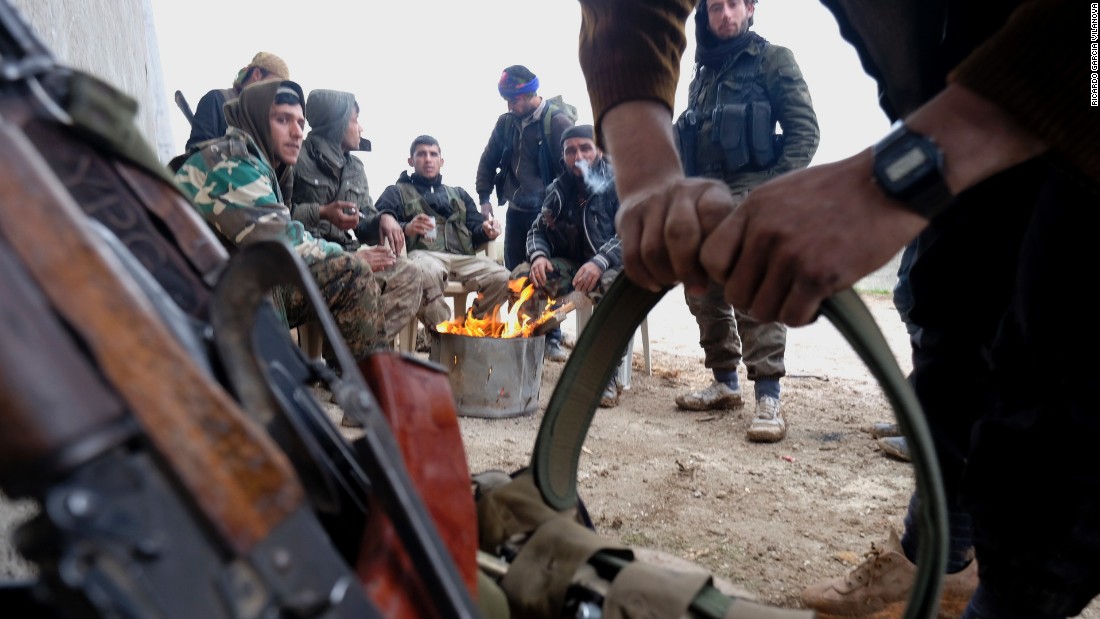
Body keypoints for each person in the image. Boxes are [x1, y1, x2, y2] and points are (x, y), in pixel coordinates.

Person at [577, 1, 1097, 618]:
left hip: (1077, 112)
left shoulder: (771, 60)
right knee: (953, 321)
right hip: (956, 98)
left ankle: (1015, 597)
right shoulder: (707, 75)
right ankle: (935, 559)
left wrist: (895, 177)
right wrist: (647, 169)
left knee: (1060, 380)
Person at [669, 0, 818, 444]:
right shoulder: (704, 75)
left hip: (752, 188)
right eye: (716, 8)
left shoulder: (773, 61)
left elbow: (804, 132)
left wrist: (768, 194)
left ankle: (768, 396)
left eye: (734, 4)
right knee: (700, 286)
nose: (725, 15)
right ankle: (724, 381)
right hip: (706, 194)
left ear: (751, 8)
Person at [174, 79, 389, 361]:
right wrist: (357, 256)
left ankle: (364, 382)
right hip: (196, 302)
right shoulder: (230, 163)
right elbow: (284, 242)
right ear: (257, 120)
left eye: (300, 122)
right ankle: (371, 392)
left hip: (229, 285)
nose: (297, 132)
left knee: (358, 272)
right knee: (351, 273)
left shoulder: (263, 164)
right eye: (282, 119)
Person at [290, 89, 451, 342]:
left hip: (348, 250)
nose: (361, 128)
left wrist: (383, 218)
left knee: (411, 275)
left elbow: (365, 220)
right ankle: (356, 359)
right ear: (338, 123)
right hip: (311, 255)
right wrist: (321, 213)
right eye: (355, 120)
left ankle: (351, 355)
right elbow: (280, 215)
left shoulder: (355, 168)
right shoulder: (297, 157)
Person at [510, 125, 625, 404]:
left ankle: (604, 375)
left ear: (599, 150)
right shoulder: (558, 189)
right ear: (563, 156)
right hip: (573, 265)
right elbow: (538, 230)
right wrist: (538, 256)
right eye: (570, 151)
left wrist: (599, 261)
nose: (578, 156)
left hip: (615, 263)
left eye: (585, 148)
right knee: (524, 277)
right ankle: (522, 366)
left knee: (613, 289)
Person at [376, 135, 510, 321]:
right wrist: (407, 227)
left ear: (441, 161)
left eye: (433, 154)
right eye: (421, 154)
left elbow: (476, 228)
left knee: (503, 277)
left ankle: (473, 330)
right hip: (423, 257)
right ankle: (445, 337)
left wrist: (487, 230)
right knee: (425, 273)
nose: (428, 159)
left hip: (462, 259)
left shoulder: (459, 194)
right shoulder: (396, 192)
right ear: (411, 161)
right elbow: (377, 221)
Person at [475, 65, 575, 268]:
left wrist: (560, 211)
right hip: (515, 213)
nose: (510, 106)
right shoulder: (505, 124)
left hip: (546, 215)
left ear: (529, 94)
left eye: (514, 100)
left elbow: (572, 173)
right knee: (513, 278)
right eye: (507, 101)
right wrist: (484, 199)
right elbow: (487, 161)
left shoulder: (557, 123)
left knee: (543, 277)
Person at [184, 52, 290, 151]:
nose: (276, 93)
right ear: (257, 75)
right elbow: (197, 154)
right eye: (275, 85)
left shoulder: (265, 120)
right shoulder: (218, 100)